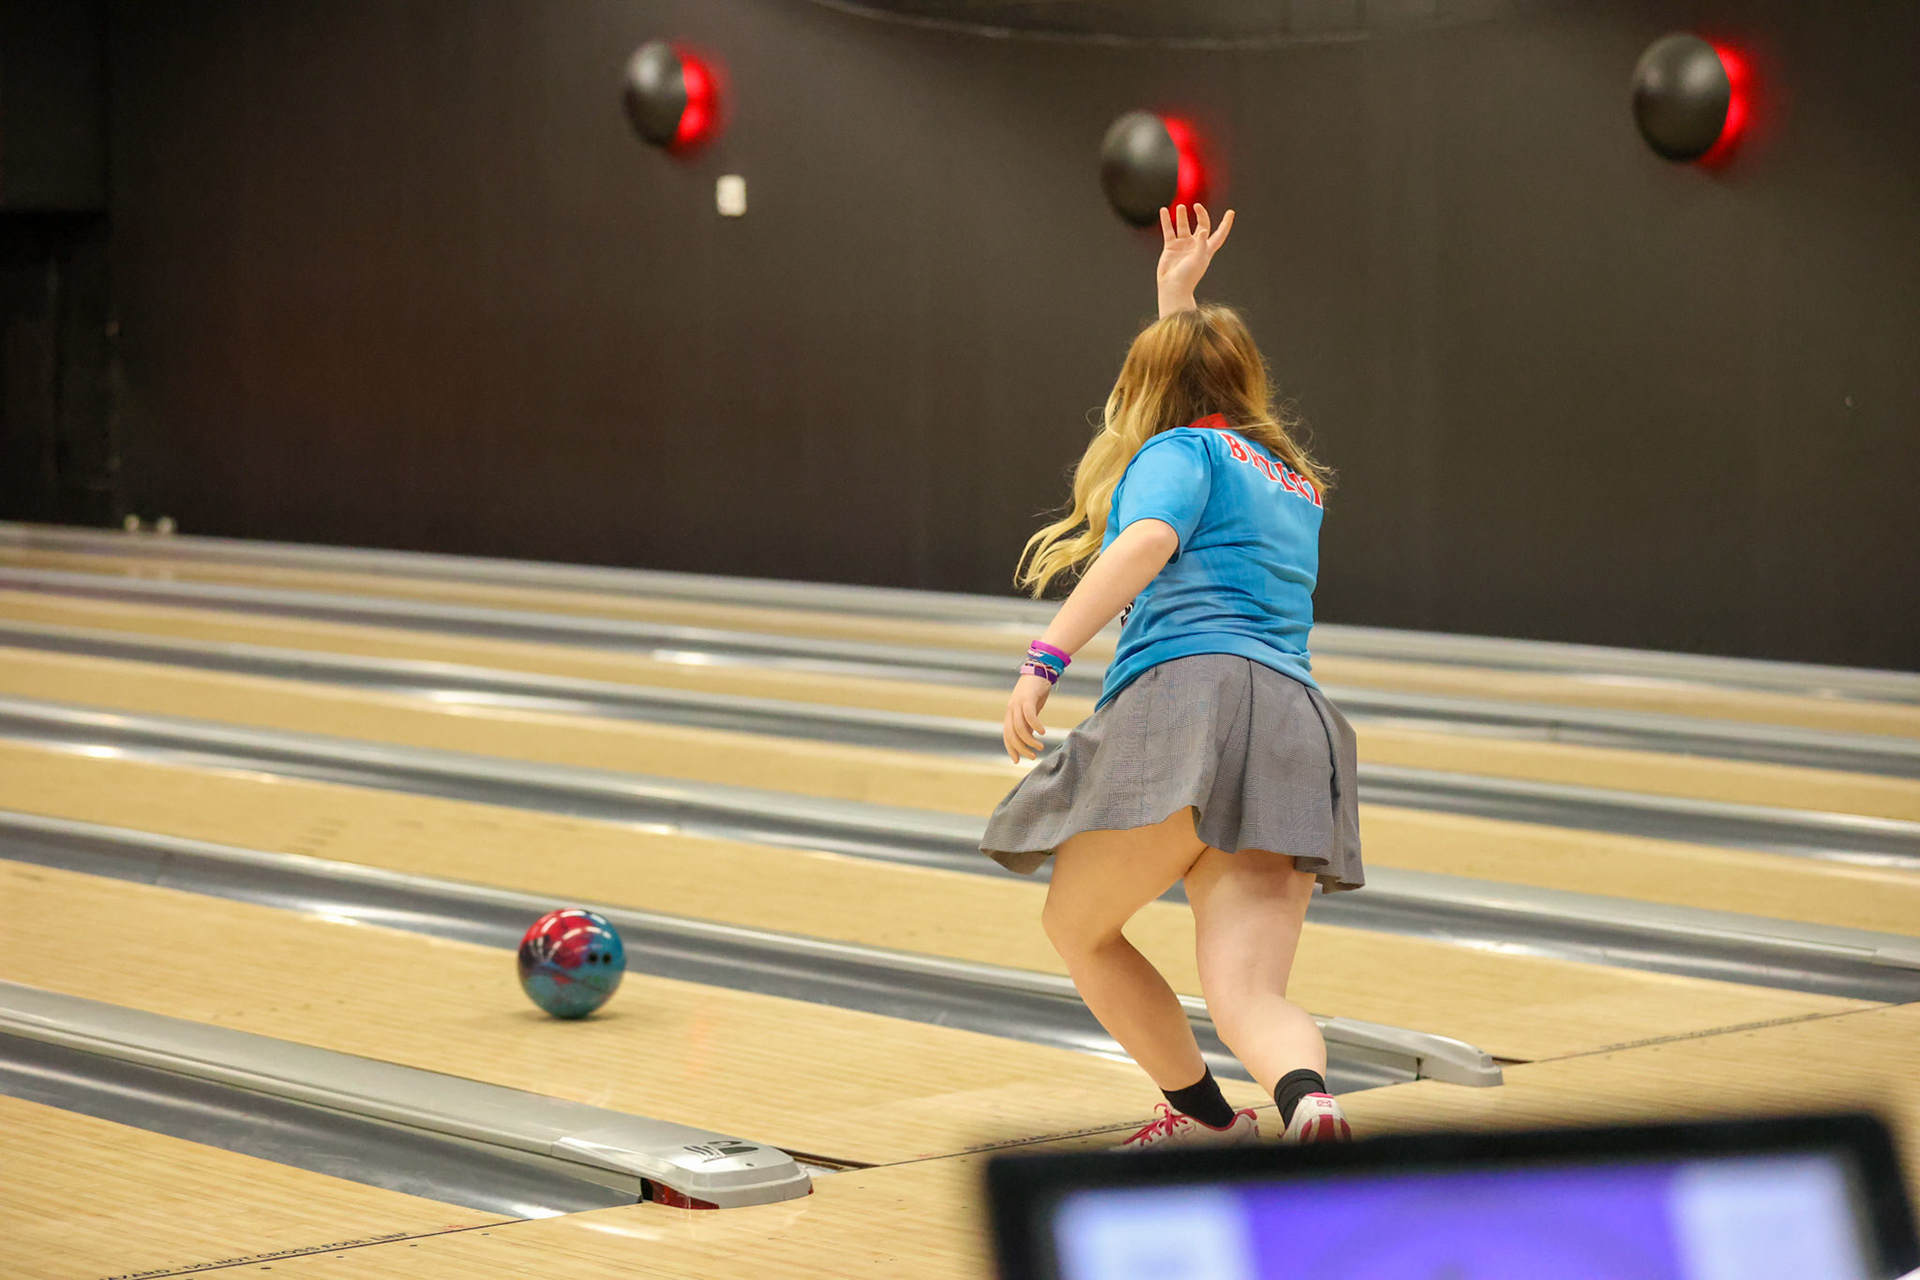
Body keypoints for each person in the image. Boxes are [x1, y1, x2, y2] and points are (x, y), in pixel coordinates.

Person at [981, 203, 1362, 1148]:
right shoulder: (1290, 479)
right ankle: (1309, 1103)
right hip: (1291, 725)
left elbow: (1147, 540)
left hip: (1190, 705)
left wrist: (1045, 659)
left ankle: (1203, 1122)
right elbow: (1199, 386)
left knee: (1079, 928)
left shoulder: (1173, 453)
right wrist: (1177, 303)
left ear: (1142, 385)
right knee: (1247, 993)